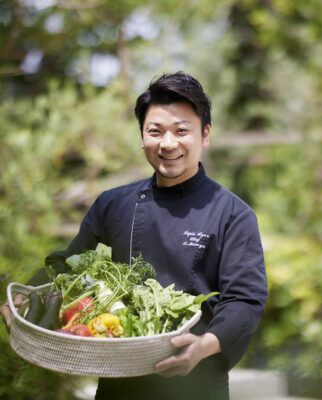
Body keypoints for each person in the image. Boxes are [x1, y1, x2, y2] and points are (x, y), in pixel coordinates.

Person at [1, 72, 268, 400]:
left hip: (196, 381)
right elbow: (68, 265)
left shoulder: (233, 214)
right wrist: (25, 298)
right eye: (155, 131)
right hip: (120, 383)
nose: (167, 143)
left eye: (181, 131)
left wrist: (203, 346)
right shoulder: (113, 204)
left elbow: (245, 300)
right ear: (142, 137)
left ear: (205, 135)